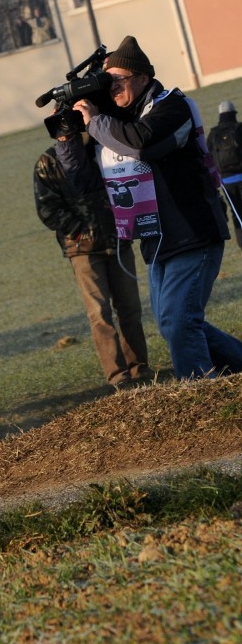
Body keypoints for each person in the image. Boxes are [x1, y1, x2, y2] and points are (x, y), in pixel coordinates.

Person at [64, 35, 242, 379]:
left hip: (193, 232)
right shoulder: (115, 122)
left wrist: (96, 121)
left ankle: (199, 392)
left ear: (143, 77)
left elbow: (143, 145)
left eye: (119, 79)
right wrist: (67, 137)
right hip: (156, 240)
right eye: (108, 81)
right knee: (173, 324)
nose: (112, 87)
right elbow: (83, 182)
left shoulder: (171, 107)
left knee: (179, 323)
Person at [34, 143, 150, 388]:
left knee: (130, 308)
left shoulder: (107, 150)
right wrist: (79, 231)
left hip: (119, 240)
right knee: (99, 314)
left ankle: (140, 369)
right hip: (83, 250)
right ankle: (118, 376)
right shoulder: (49, 161)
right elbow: (47, 207)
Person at [207, 100, 242, 250]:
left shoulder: (213, 134)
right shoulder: (240, 128)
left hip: (226, 182)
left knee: (237, 214)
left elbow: (208, 158)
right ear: (234, 113)